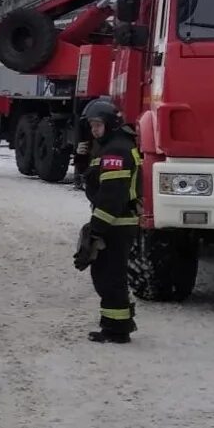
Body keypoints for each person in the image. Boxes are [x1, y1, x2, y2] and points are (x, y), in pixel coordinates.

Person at [79, 96, 142, 344]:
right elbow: (99, 183)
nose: (94, 131)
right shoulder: (113, 145)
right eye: (92, 126)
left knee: (110, 277)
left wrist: (96, 230)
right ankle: (116, 324)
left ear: (110, 124)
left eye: (97, 125)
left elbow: (111, 197)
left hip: (117, 224)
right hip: (118, 222)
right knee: (107, 275)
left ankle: (117, 330)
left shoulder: (115, 149)